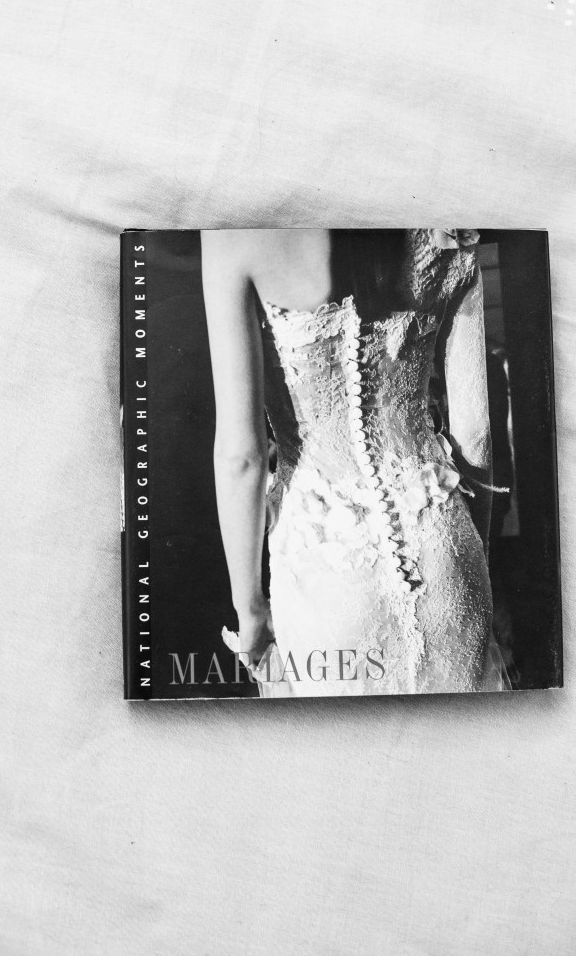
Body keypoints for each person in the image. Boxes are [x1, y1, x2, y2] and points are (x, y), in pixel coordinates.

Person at [201, 228, 508, 697]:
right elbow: (476, 434)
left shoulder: (237, 234)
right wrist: (473, 556)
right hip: (443, 547)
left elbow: (241, 457)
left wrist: (250, 611)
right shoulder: (444, 225)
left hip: (325, 570)